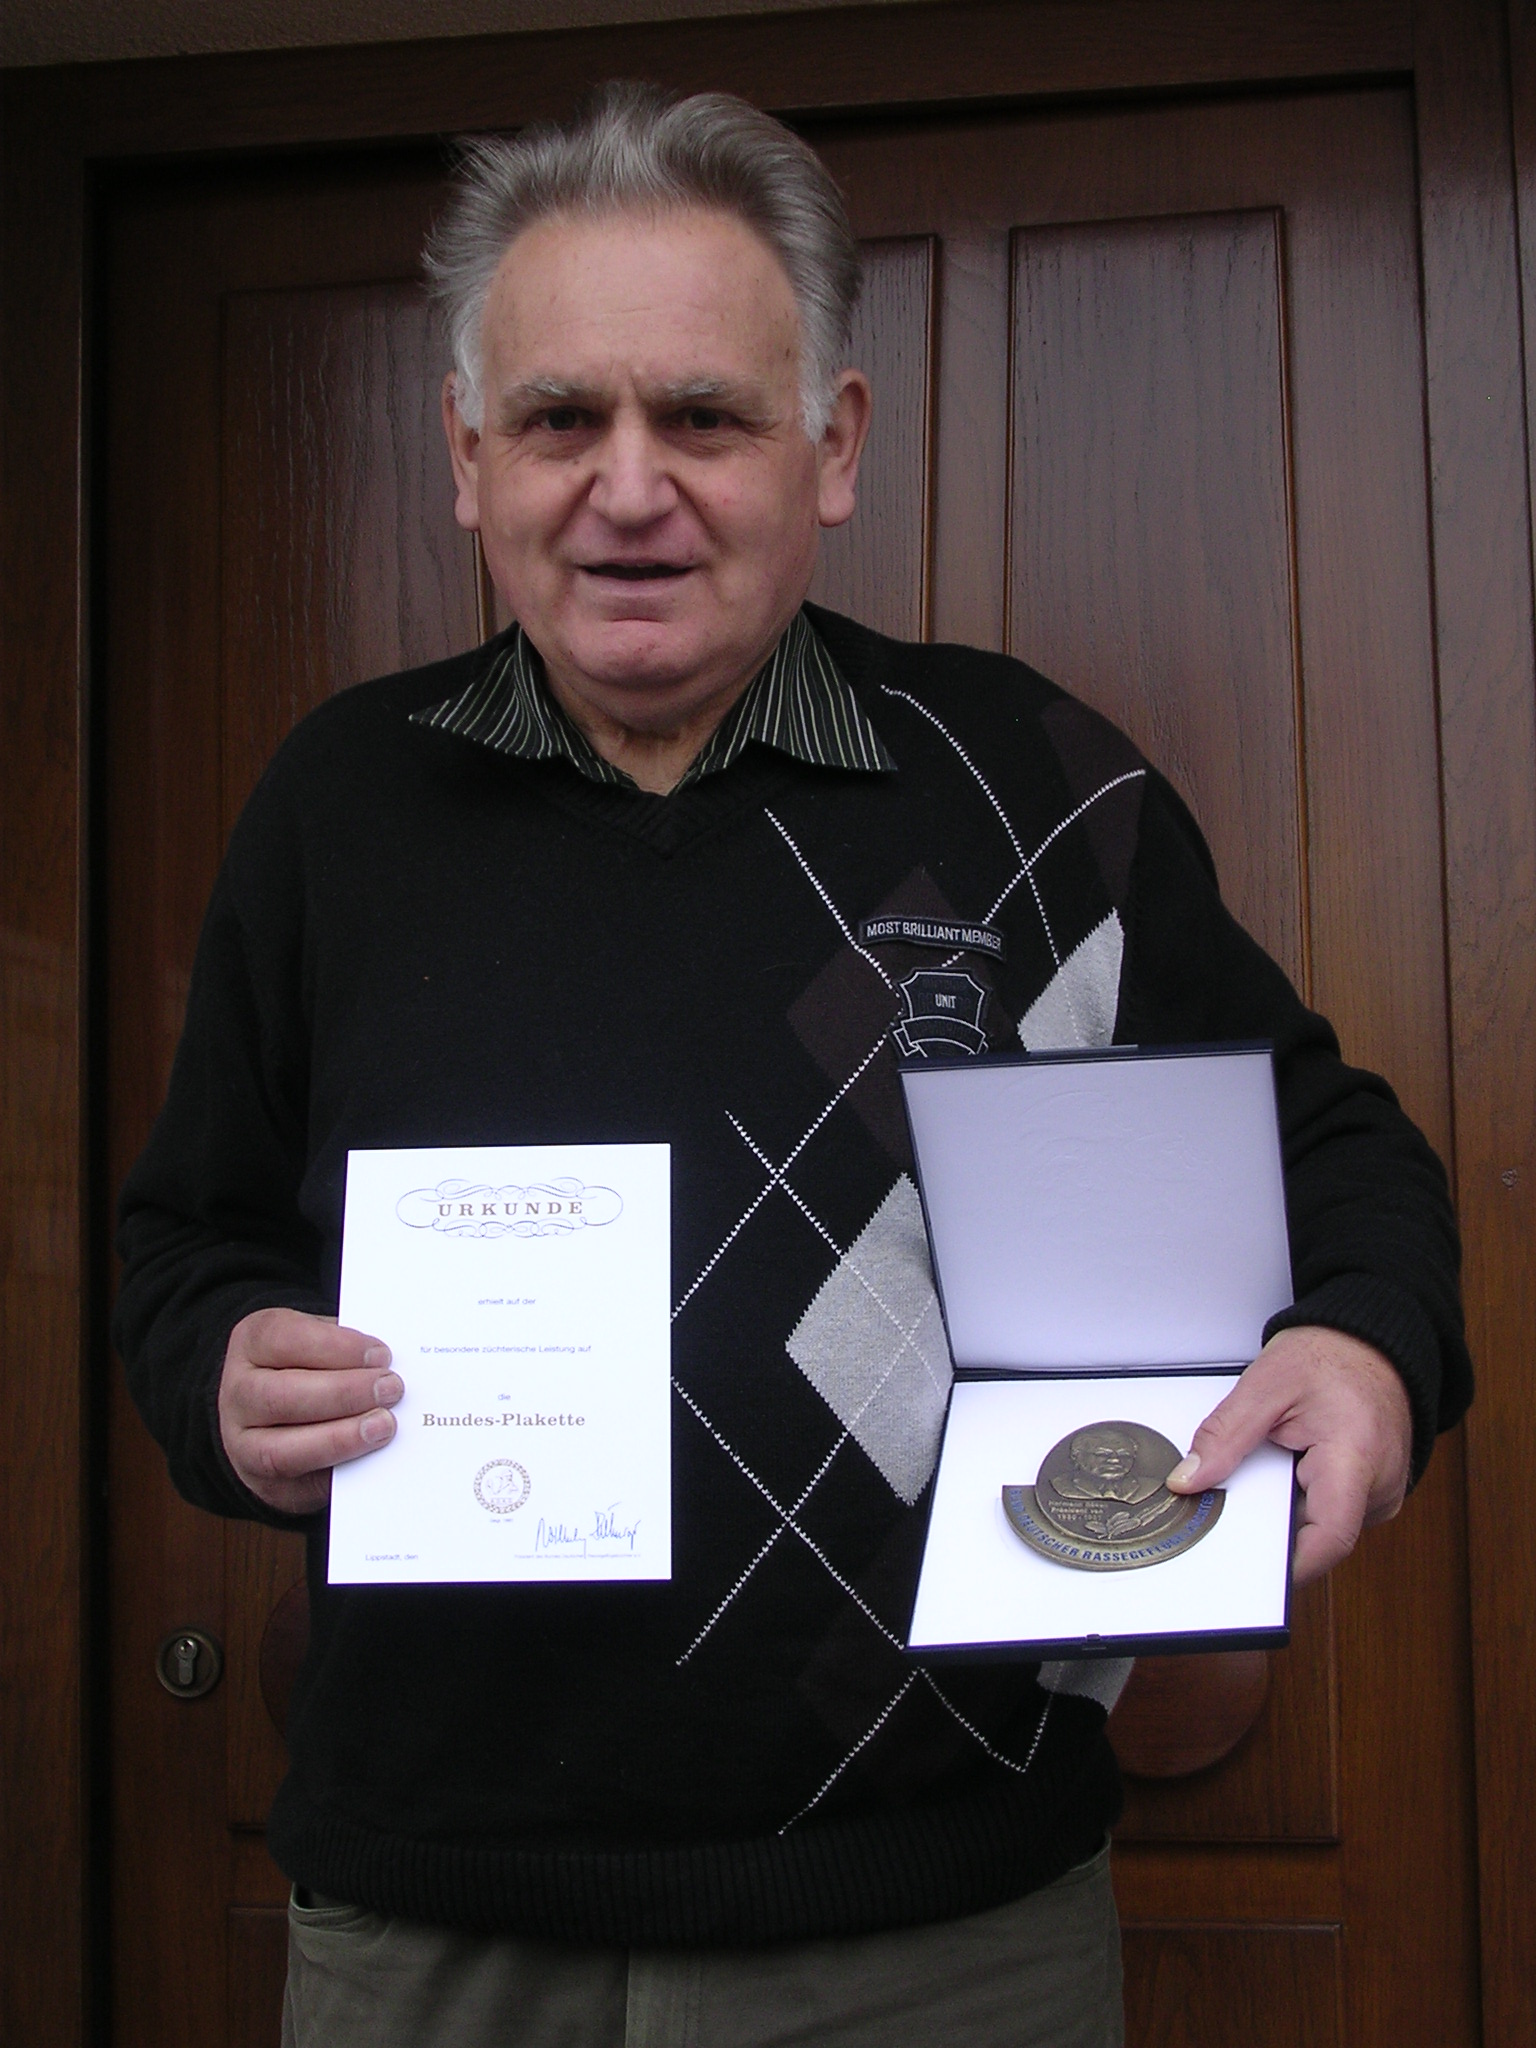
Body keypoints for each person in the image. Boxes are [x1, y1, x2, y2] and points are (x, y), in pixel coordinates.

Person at [115, 83, 1471, 2048]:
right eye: (560, 419)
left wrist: (1364, 1345)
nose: (629, 485)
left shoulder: (1032, 787)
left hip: (943, 1936)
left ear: (831, 447)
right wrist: (224, 1377)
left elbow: (1328, 1146)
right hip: (434, 1933)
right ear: (468, 456)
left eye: (706, 416)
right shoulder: (338, 811)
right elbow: (185, 1245)